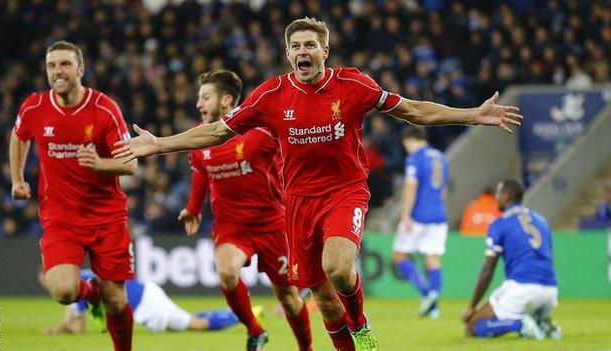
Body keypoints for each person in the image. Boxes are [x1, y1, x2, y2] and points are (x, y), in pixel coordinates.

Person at [113, 18, 522, 351]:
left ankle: (361, 325)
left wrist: (473, 115)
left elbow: (414, 111)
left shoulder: (353, 85)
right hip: (298, 204)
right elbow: (218, 132)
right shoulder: (270, 95)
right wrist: (159, 145)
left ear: (324, 51)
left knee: (338, 267)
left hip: (345, 193)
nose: (303, 52)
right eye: (296, 46)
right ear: (288, 53)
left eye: (310, 45)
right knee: (324, 299)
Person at [9, 41, 136, 351]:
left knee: (117, 300)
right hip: (60, 219)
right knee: (63, 290)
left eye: (65, 64)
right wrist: (17, 179)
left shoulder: (105, 109)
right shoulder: (35, 107)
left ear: (81, 69)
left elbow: (130, 164)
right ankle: (90, 294)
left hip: (107, 218)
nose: (57, 71)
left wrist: (100, 163)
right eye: (51, 66)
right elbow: (19, 135)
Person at [177, 70, 312, 351]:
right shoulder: (198, 138)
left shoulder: (259, 132)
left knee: (287, 297)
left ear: (226, 100)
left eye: (205, 98)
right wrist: (193, 208)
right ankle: (255, 330)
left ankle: (306, 348)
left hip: (273, 224)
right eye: (199, 98)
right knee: (226, 272)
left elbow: (294, 151)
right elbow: (201, 172)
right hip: (231, 226)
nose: (199, 104)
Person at [462, 180, 561, 340]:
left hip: (523, 288)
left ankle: (520, 324)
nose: (495, 197)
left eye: (498, 193)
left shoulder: (499, 224)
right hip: (550, 290)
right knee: (524, 306)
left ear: (507, 196)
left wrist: (472, 306)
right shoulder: (541, 221)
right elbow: (551, 258)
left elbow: (488, 271)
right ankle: (540, 321)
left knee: (472, 326)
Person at [41, 270, 252, 335]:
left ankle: (248, 314)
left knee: (197, 325)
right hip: (144, 297)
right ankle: (238, 312)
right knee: (192, 320)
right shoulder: (81, 277)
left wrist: (56, 330)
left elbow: (77, 328)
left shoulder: (78, 286)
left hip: (147, 303)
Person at [392, 126, 448, 319]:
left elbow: (411, 187)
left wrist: (406, 215)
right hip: (439, 215)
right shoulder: (441, 157)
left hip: (418, 215)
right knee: (432, 257)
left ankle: (426, 293)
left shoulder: (415, 158)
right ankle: (434, 306)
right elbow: (444, 190)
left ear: (410, 140)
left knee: (400, 256)